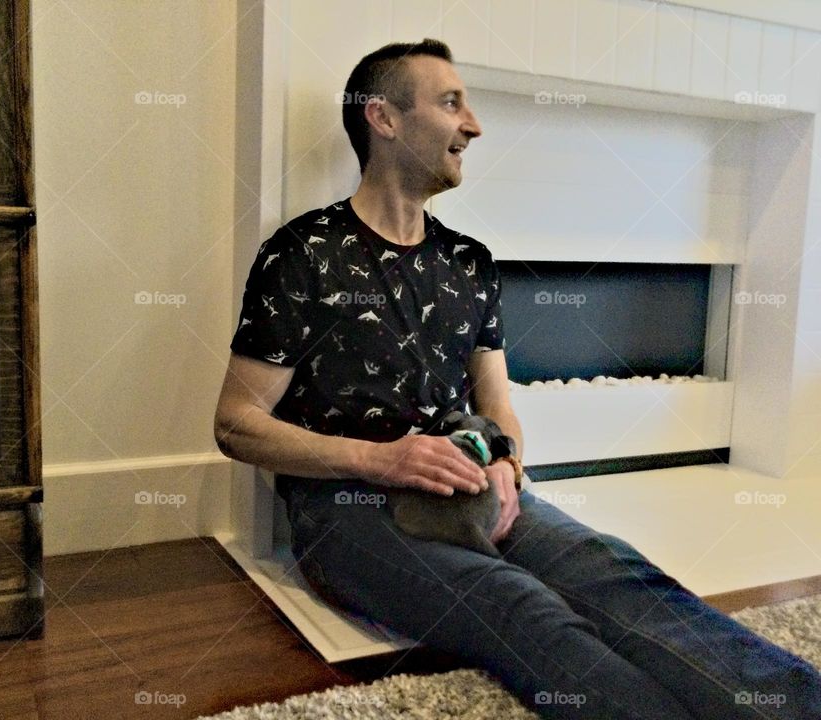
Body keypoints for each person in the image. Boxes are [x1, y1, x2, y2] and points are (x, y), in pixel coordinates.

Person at [214, 38, 821, 719]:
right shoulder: (302, 253)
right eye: (451, 103)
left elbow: (498, 403)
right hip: (348, 512)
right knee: (523, 607)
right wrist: (381, 460)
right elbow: (236, 424)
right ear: (382, 117)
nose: (473, 124)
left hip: (473, 488)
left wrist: (506, 464)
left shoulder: (470, 262)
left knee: (622, 579)